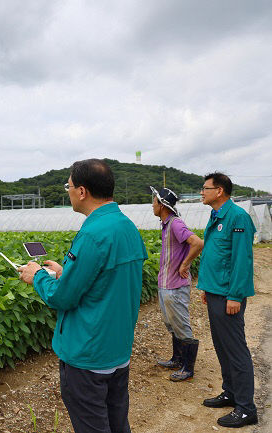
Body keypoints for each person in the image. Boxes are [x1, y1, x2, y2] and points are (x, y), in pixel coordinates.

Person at [19, 159, 147, 433]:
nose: (68, 191)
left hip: (88, 353)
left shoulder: (92, 234)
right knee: (117, 422)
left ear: (82, 191)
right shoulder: (127, 227)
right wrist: (66, 273)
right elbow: (107, 281)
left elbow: (63, 299)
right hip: (117, 349)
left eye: (69, 185)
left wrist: (37, 276)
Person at [197, 172, 257, 428]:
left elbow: (241, 260)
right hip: (215, 292)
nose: (202, 192)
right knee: (222, 346)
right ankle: (230, 392)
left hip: (228, 295)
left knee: (235, 350)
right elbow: (215, 255)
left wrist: (235, 295)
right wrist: (206, 288)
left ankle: (246, 407)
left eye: (205, 188)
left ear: (219, 191)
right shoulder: (216, 215)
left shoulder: (237, 217)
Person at [150, 186, 204, 381]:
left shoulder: (175, 224)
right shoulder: (166, 224)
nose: (152, 205)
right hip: (166, 284)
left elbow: (197, 243)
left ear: (162, 205)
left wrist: (185, 264)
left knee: (181, 325)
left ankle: (188, 369)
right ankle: (177, 359)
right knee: (171, 324)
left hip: (175, 286)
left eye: (154, 201)